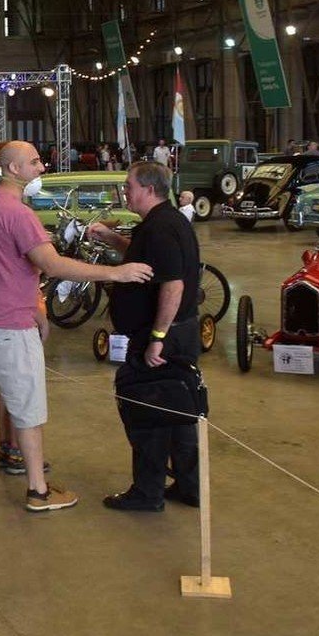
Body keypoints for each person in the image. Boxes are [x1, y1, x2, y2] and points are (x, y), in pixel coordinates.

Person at [0, 141, 151, 510]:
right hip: (8, 329)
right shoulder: (19, 215)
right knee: (28, 410)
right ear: (14, 169)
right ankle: (38, 490)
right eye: (34, 162)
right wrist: (117, 271)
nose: (41, 168)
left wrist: (31, 303)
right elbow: (53, 265)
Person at [86, 161, 205, 511]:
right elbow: (149, 262)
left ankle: (147, 491)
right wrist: (112, 239)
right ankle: (188, 484)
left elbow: (173, 284)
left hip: (161, 339)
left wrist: (157, 336)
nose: (125, 191)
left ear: (149, 189)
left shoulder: (160, 229)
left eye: (129, 185)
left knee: (147, 414)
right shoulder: (162, 224)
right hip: (177, 335)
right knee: (178, 412)